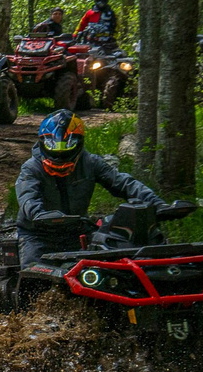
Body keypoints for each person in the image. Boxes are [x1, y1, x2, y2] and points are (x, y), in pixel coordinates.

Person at [14, 110, 159, 268]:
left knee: (115, 262)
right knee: (34, 274)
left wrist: (156, 203)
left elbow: (124, 183)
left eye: (67, 145)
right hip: (38, 235)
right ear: (43, 142)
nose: (59, 152)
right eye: (53, 145)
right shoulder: (31, 168)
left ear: (79, 143)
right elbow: (27, 197)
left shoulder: (91, 162)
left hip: (78, 232)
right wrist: (39, 214)